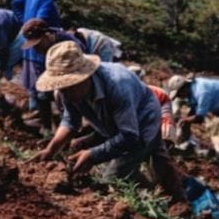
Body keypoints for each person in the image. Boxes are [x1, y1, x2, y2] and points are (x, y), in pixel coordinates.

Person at [33, 41, 183, 201]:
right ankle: (169, 193)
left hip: (144, 121)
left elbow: (129, 136)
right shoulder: (69, 91)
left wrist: (93, 154)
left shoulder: (117, 84)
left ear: (84, 77)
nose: (65, 93)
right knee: (159, 162)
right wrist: (51, 149)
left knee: (114, 175)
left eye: (69, 87)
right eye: (62, 88)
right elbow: (70, 121)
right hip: (119, 123)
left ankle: (160, 198)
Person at [11, 0, 65, 130]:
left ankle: (41, 119)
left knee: (36, 88)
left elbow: (15, 3)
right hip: (41, 51)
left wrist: (24, 22)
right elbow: (41, 22)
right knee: (44, 89)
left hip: (30, 48)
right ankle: (46, 127)